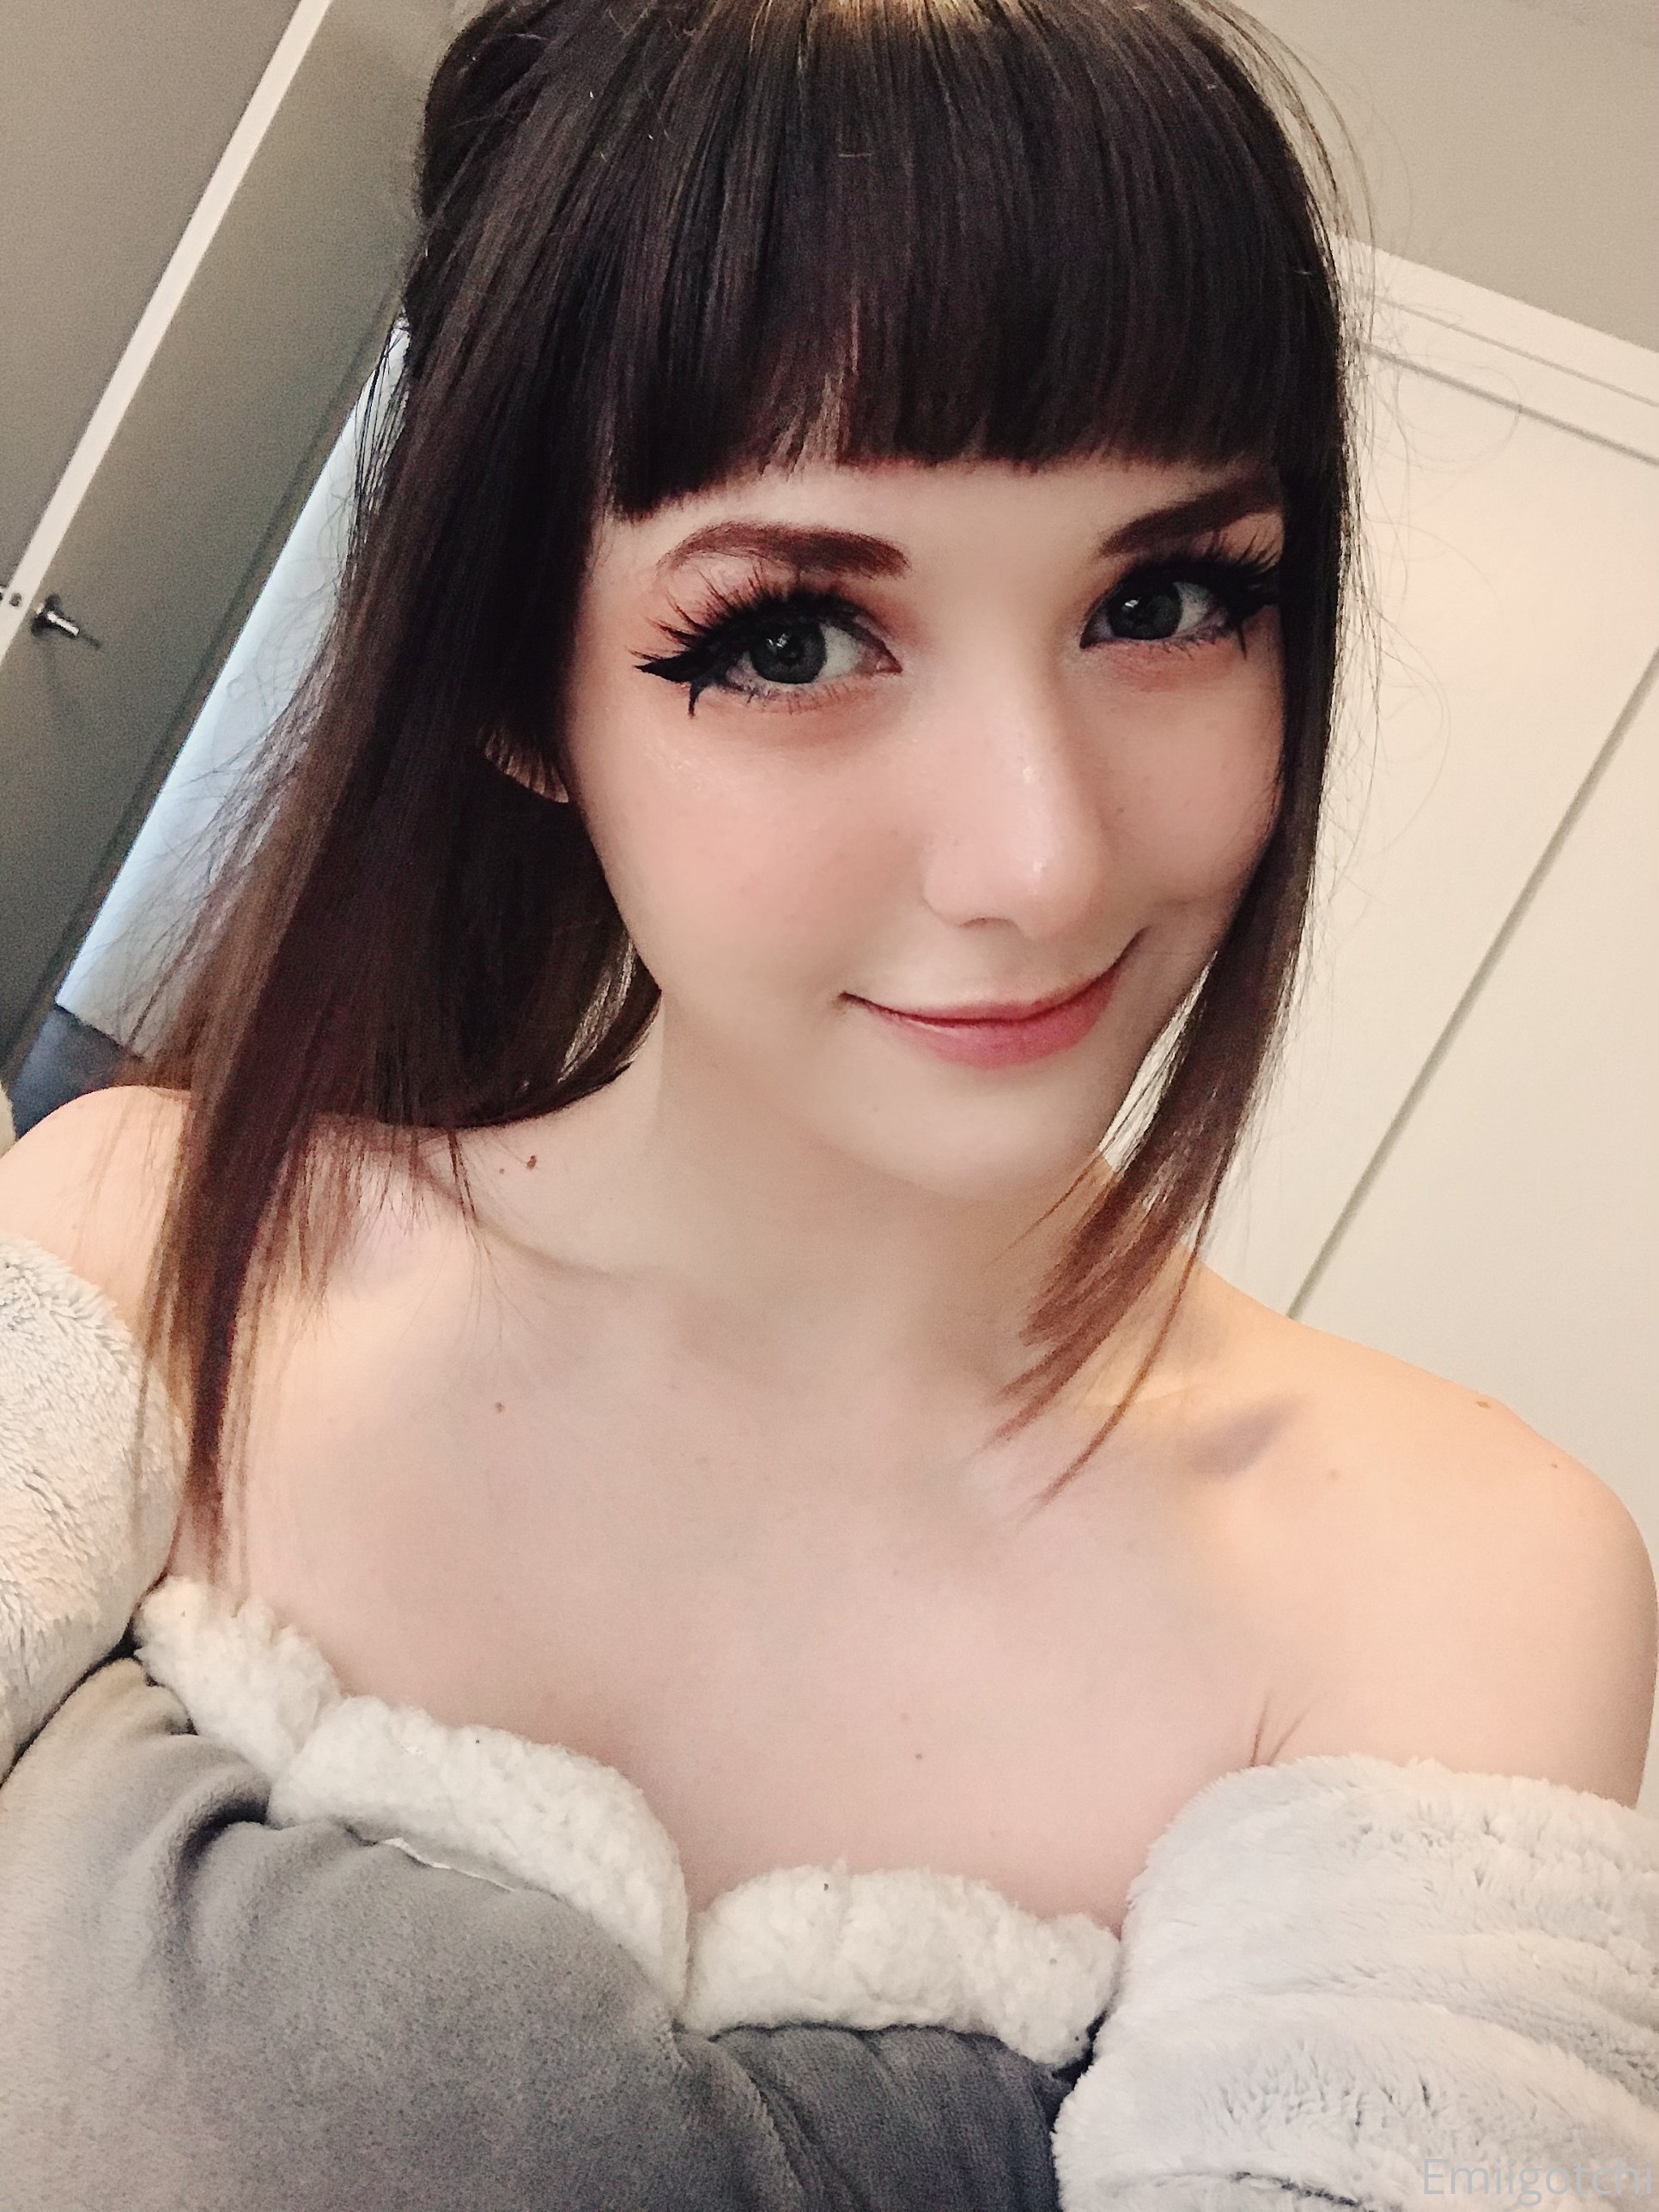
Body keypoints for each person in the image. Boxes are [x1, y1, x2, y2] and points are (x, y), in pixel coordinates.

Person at [1, 0, 1653, 2196]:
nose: (1041, 856)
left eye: (1168, 600)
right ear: (519, 690)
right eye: (790, 638)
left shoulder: (1447, 1586)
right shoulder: (142, 1246)